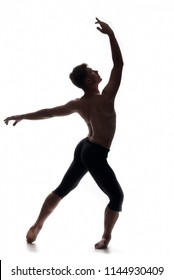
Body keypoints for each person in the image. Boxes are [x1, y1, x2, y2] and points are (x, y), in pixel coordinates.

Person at [4, 18, 124, 249]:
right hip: (94, 153)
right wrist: (110, 34)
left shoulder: (78, 103)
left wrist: (22, 116)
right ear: (89, 80)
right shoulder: (106, 97)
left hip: (84, 147)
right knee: (116, 198)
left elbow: (49, 113)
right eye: (93, 71)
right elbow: (118, 65)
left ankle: (37, 225)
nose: (98, 71)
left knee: (63, 189)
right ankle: (106, 238)